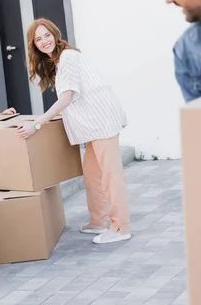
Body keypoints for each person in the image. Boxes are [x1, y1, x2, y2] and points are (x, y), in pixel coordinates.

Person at [15, 18, 131, 245]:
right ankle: (98, 221)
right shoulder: (60, 60)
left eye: (47, 35)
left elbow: (66, 97)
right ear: (34, 45)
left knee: (110, 176)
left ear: (55, 33)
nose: (44, 41)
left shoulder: (66, 58)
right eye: (38, 39)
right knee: (92, 175)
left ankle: (121, 227)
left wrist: (37, 123)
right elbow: (73, 98)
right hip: (94, 125)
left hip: (102, 122)